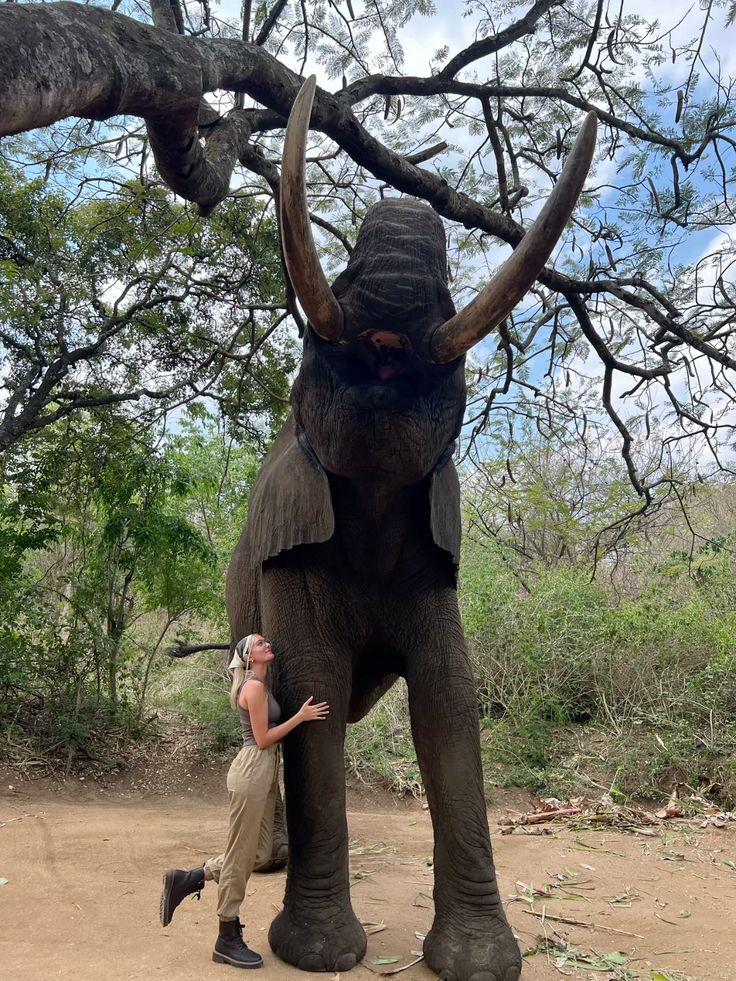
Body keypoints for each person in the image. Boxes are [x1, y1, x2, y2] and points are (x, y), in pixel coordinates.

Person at [159, 633, 329, 969]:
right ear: (249, 657)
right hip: (252, 769)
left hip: (262, 772)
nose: (268, 644)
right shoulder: (252, 687)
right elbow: (263, 738)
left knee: (262, 853)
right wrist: (300, 717)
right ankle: (226, 935)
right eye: (260, 643)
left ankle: (192, 877)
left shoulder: (261, 685)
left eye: (266, 641)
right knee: (240, 854)